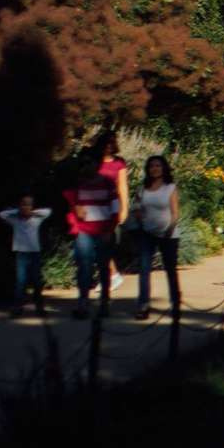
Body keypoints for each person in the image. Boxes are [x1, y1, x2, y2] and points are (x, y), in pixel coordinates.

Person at [61, 163, 118, 318]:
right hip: (83, 229)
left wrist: (110, 229)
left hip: (103, 230)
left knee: (103, 266)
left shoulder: (107, 182)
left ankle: (104, 302)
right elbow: (70, 200)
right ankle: (83, 302)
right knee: (84, 266)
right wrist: (75, 208)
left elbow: (115, 207)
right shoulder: (78, 183)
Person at [132, 155, 180, 320]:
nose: (155, 169)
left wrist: (170, 229)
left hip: (168, 235)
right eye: (152, 166)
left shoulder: (170, 187)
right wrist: (138, 214)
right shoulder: (142, 188)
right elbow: (136, 206)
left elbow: (175, 213)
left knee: (170, 270)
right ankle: (143, 305)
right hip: (147, 233)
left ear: (164, 168)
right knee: (144, 270)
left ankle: (176, 303)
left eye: (158, 166)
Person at [0, 193, 51, 317]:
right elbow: (2, 214)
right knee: (21, 281)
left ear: (32, 206)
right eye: (23, 204)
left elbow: (47, 212)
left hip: (34, 253)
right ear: (20, 205)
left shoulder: (37, 218)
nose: (26, 207)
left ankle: (39, 307)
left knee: (37, 281)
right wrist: (19, 211)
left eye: (29, 204)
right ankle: (18, 307)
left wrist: (31, 212)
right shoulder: (15, 219)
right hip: (21, 254)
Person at [93, 131, 130, 294]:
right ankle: (111, 275)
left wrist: (124, 209)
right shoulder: (94, 162)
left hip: (111, 206)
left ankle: (110, 276)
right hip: (94, 206)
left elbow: (122, 187)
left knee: (104, 242)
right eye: (105, 143)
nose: (108, 146)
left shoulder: (119, 163)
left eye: (111, 143)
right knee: (95, 243)